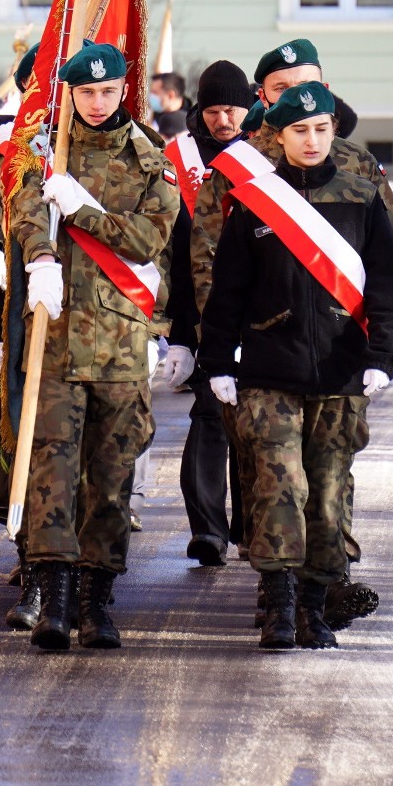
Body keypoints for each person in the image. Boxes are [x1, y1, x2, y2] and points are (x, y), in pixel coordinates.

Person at [191, 38, 393, 631]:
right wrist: (213, 356)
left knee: (328, 487)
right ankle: (280, 601)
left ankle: (321, 596)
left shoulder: (360, 190)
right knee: (276, 485)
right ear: (274, 123)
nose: (312, 138)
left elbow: (389, 276)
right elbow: (223, 282)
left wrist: (391, 349)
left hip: (341, 366)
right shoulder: (251, 194)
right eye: (299, 126)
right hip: (268, 366)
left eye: (321, 126)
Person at [10, 42, 179, 651]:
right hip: (53, 341)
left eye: (108, 92)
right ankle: (52, 596)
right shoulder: (48, 151)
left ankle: (96, 599)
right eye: (86, 93)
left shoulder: (149, 160)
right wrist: (43, 255)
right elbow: (25, 212)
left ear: (123, 91)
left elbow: (147, 239)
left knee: (109, 478)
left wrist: (83, 210)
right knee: (52, 472)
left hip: (118, 345)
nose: (98, 102)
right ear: (71, 94)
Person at [162, 60, 255, 566]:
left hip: (260, 314)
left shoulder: (267, 153)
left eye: (233, 109)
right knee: (209, 416)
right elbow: (175, 252)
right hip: (203, 313)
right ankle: (208, 531)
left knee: (255, 424)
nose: (224, 120)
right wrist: (179, 331)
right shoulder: (178, 160)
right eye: (215, 110)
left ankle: (249, 527)